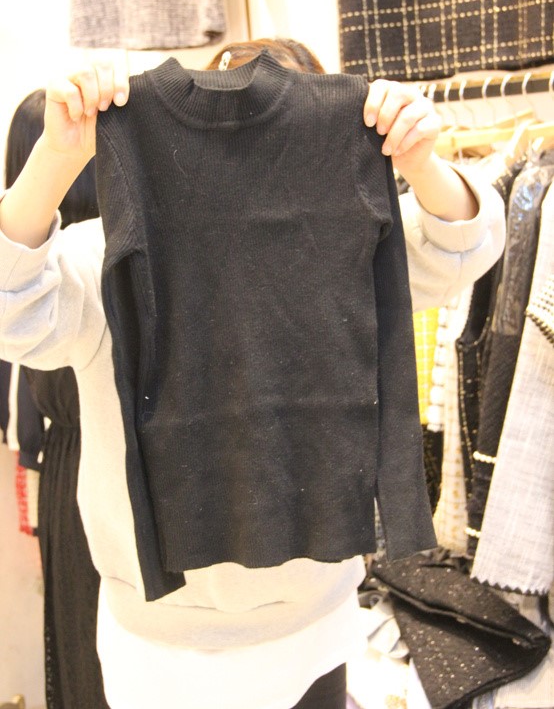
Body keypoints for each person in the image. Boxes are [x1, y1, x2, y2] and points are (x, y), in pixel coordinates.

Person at [0, 39, 505, 709]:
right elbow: (13, 309)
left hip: (314, 622)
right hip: (163, 646)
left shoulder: (344, 242)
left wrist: (422, 163)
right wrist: (56, 157)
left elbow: (461, 242)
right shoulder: (112, 249)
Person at [2, 90, 109, 709]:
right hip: (106, 460)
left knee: (82, 640)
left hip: (69, 466)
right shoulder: (105, 261)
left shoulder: (34, 279)